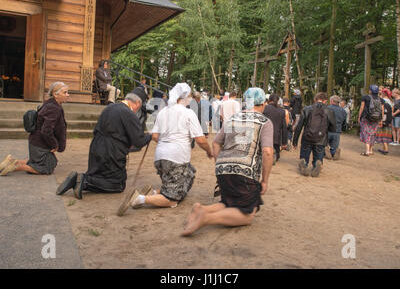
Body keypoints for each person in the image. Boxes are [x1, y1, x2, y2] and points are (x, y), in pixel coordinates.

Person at [181, 87, 274, 236]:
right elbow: (268, 152)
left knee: (230, 202)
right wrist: (265, 180)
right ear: (263, 104)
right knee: (248, 213)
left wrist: (219, 165)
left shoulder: (233, 118)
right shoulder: (265, 122)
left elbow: (216, 143)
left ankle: (202, 209)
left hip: (223, 169)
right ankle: (206, 218)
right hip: (245, 172)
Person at [119, 83, 213, 214]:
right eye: (190, 96)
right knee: (172, 200)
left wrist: (166, 145)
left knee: (189, 173)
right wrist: (209, 151)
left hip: (160, 157)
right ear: (185, 97)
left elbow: (155, 135)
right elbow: (200, 140)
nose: (191, 99)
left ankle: (155, 192)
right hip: (176, 158)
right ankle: (140, 199)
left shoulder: (163, 112)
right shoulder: (188, 113)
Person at [56, 88, 152, 199]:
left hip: (96, 146)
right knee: (117, 185)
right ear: (138, 103)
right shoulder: (128, 113)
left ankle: (82, 180)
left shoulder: (110, 107)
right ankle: (84, 180)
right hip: (111, 151)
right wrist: (150, 136)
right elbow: (138, 140)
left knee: (99, 174)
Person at [0, 82, 69, 176]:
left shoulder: (50, 104)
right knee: (47, 167)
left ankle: (10, 161)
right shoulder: (54, 108)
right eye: (65, 92)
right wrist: (55, 144)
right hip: (40, 144)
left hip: (36, 142)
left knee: (45, 162)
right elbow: (46, 130)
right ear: (55, 94)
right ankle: (16, 166)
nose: (68, 95)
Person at [293, 92, 336, 177]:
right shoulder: (329, 111)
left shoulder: (307, 109)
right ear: (325, 101)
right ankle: (317, 164)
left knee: (305, 154)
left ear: (315, 99)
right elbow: (333, 128)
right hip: (321, 139)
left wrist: (295, 141)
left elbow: (299, 126)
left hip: (307, 138)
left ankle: (304, 164)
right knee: (318, 155)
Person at [358, 85, 384, 156]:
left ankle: (367, 151)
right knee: (373, 133)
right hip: (376, 119)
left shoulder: (365, 97)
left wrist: (359, 116)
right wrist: (381, 120)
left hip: (366, 118)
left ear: (370, 90)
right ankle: (371, 150)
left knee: (366, 133)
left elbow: (362, 107)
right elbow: (382, 111)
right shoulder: (381, 100)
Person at [263, 93, 288, 163]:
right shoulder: (282, 111)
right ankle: (275, 154)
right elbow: (284, 127)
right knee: (276, 149)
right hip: (276, 137)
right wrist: (284, 142)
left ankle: (270, 155)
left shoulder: (264, 109)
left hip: (265, 136)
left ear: (269, 100)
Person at [325, 96, 347, 160]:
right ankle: (334, 152)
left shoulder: (327, 108)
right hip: (337, 130)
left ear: (331, 101)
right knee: (334, 146)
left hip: (327, 130)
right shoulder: (343, 111)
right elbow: (344, 122)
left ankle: (325, 150)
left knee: (324, 144)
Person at [376, 90, 393, 155]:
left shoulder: (383, 101)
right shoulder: (391, 101)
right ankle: (384, 148)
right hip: (389, 120)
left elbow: (383, 112)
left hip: (384, 120)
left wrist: (381, 120)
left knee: (383, 135)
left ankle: (386, 149)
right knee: (386, 134)